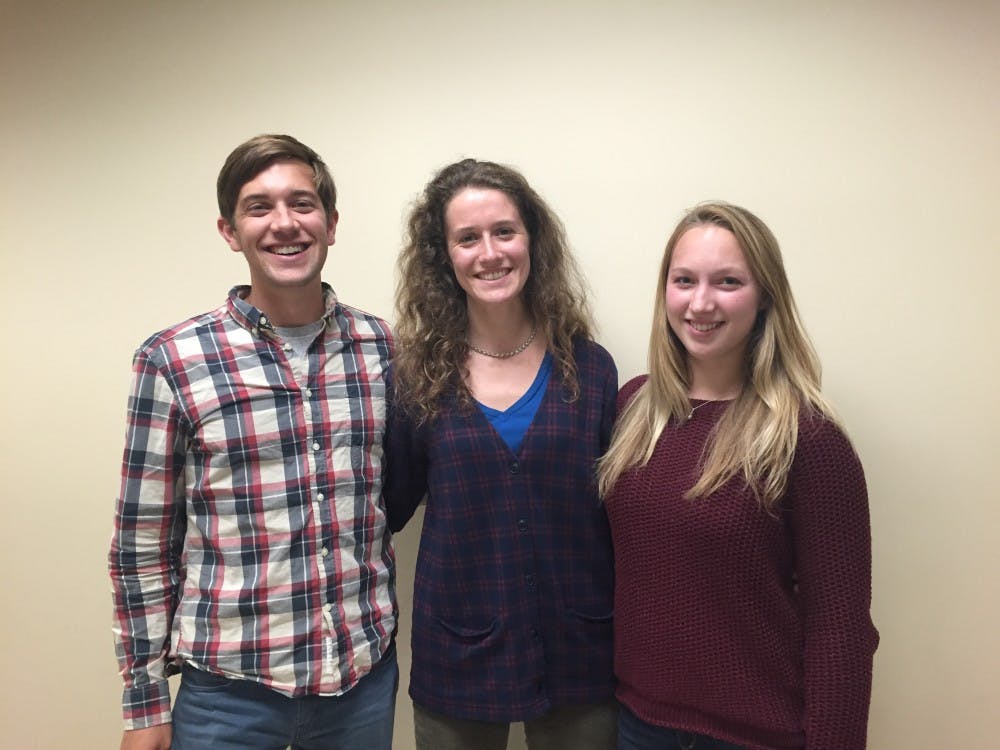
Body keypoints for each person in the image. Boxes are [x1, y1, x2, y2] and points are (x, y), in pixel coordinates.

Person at [109, 134, 398, 750]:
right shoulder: (172, 360)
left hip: (361, 685)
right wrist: (145, 706)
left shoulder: (383, 349)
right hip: (228, 698)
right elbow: (142, 543)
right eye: (259, 207)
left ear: (332, 222)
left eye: (302, 203)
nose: (285, 224)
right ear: (230, 231)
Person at [599, 201, 879, 750]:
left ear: (765, 297)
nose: (700, 303)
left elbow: (841, 630)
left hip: (755, 735)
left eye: (727, 282)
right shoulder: (634, 408)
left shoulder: (808, 438)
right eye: (684, 280)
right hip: (637, 722)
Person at [385, 158, 618, 749]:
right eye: (468, 238)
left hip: (579, 648)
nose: (489, 252)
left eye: (504, 232)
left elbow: (622, 512)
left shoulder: (589, 368)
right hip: (457, 653)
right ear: (446, 256)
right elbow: (383, 509)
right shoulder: (418, 377)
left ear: (531, 240)